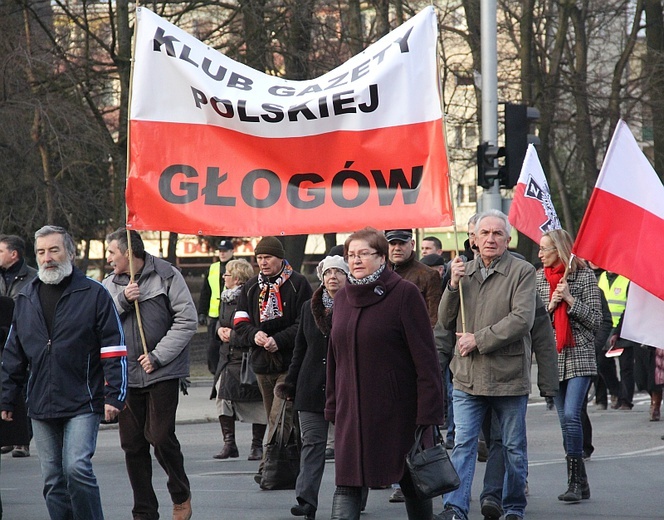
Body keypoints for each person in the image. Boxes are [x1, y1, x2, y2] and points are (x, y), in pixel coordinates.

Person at [1, 225, 127, 520]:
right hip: (41, 402)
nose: (47, 258)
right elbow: (13, 353)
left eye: (54, 250)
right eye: (42, 252)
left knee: (76, 468)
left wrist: (115, 394)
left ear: (70, 252)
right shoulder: (26, 298)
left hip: (83, 399)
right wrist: (6, 398)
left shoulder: (93, 294)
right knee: (53, 480)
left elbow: (114, 348)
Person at [325, 227, 444, 520]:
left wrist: (428, 412)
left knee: (411, 481)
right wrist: (332, 404)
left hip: (398, 412)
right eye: (351, 254)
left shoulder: (404, 294)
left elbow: (426, 359)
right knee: (347, 483)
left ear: (381, 258)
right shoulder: (342, 299)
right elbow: (334, 358)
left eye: (364, 253)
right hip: (351, 412)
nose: (356, 260)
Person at [437, 209, 536, 520]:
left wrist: (478, 339)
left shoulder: (522, 272)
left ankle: (514, 507)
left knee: (512, 448)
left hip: (507, 377)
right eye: (485, 233)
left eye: (497, 234)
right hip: (467, 377)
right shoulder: (462, 271)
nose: (491, 238)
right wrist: (452, 286)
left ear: (507, 240)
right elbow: (444, 320)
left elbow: (521, 320)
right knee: (463, 444)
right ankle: (455, 508)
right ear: (473, 240)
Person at [102, 228, 197, 520]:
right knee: (132, 444)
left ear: (129, 253)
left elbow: (187, 319)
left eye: (111, 253)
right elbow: (100, 324)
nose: (108, 259)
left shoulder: (167, 275)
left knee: (160, 436)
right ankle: (144, 510)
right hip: (126, 375)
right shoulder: (107, 285)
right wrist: (123, 301)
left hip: (162, 372)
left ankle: (180, 493)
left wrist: (158, 356)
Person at [234, 236, 313, 484]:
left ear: (280, 258)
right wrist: (254, 334)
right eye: (259, 258)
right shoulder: (250, 287)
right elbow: (239, 321)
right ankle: (289, 466)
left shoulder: (298, 284)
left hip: (289, 362)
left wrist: (279, 340)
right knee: (275, 417)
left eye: (267, 257)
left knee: (280, 416)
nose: (263, 262)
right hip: (261, 364)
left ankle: (267, 468)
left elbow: (304, 323)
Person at [275, 255, 349, 520]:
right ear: (321, 276)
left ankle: (353, 497)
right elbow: (300, 349)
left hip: (346, 387)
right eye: (328, 272)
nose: (333, 277)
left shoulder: (356, 304)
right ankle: (306, 501)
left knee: (349, 446)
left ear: (347, 276)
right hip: (311, 385)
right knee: (312, 444)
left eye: (339, 272)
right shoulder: (309, 307)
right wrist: (291, 383)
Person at [536, 229, 601, 503]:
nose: (540, 254)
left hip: (580, 355)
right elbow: (533, 324)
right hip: (553, 358)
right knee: (564, 421)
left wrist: (571, 301)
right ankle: (581, 482)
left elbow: (596, 320)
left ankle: (574, 481)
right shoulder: (539, 279)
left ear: (559, 250)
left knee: (573, 415)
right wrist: (550, 307)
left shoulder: (584, 276)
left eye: (545, 249)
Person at [211, 258, 267, 461]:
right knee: (222, 397)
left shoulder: (252, 298)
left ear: (236, 277)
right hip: (228, 359)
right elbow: (218, 322)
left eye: (226, 274)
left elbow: (254, 329)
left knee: (257, 402)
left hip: (247, 358)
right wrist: (219, 330)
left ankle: (256, 446)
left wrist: (232, 335)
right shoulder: (225, 299)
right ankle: (229, 444)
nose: (223, 277)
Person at [0, 235, 36, 458]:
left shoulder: (32, 277)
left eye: (1, 251)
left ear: (14, 254)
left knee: (22, 388)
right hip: (1, 338)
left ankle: (22, 439)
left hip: (23, 336)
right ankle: (7, 437)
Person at [385, 229, 442, 327]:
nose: (397, 248)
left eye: (402, 243)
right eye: (392, 243)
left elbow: (434, 319)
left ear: (412, 244)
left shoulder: (429, 275)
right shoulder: (377, 272)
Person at [599, 271, 636, 410]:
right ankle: (616, 392)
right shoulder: (601, 277)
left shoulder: (626, 279)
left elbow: (629, 306)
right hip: (605, 328)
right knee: (602, 363)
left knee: (626, 367)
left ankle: (626, 400)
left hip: (624, 328)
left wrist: (618, 331)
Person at [198, 239, 235, 374]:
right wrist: (202, 312)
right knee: (213, 348)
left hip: (231, 314)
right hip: (214, 315)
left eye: (225, 251)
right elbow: (205, 292)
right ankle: (216, 373)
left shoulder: (237, 267)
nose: (222, 254)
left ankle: (227, 372)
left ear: (232, 252)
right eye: (220, 251)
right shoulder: (213, 268)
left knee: (228, 345)